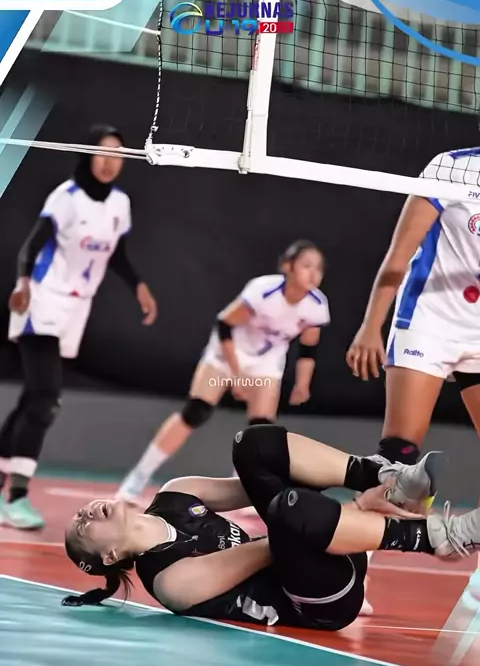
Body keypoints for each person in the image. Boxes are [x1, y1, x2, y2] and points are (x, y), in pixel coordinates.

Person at [62, 425, 474, 631]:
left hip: (314, 543)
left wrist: (362, 491)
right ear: (110, 557)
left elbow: (268, 481)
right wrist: (360, 509)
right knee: (289, 510)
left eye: (78, 514)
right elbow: (271, 547)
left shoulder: (176, 493)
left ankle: (388, 477)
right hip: (319, 601)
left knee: (251, 444)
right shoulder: (170, 582)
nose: (83, 514)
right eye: (81, 529)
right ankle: (438, 537)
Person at [0, 124, 157, 530]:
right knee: (46, 399)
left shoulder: (120, 204)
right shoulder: (66, 197)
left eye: (117, 155)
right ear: (88, 156)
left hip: (77, 309)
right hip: (41, 299)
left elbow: (116, 253)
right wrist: (22, 284)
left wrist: (138, 285)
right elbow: (31, 246)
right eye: (103, 153)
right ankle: (16, 496)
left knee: (34, 397)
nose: (109, 162)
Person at [346, 147, 480, 607]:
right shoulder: (452, 167)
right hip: (429, 320)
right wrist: (371, 326)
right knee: (398, 457)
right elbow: (398, 255)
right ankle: (353, 570)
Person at [116, 240, 329, 502]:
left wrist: (303, 383)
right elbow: (225, 324)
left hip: (265, 361)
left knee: (261, 429)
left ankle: (240, 489)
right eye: (306, 265)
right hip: (228, 352)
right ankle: (138, 477)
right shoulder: (263, 292)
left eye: (319, 268)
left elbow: (308, 348)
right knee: (196, 411)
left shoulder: (316, 305)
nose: (313, 273)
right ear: (288, 266)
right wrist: (237, 375)